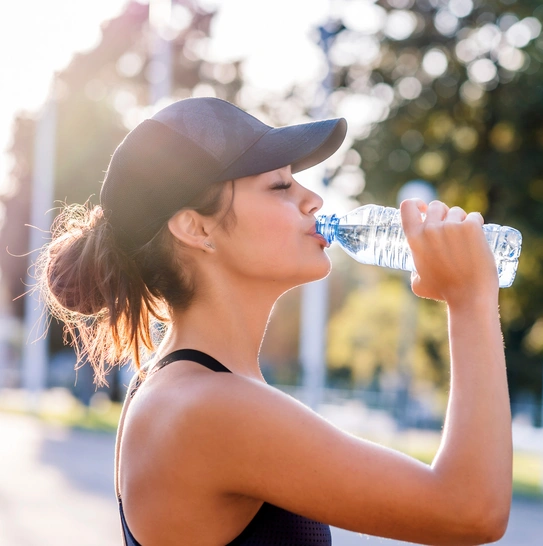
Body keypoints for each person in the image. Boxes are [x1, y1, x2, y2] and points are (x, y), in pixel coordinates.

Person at [36, 97, 512, 545]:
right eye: (281, 186)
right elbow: (470, 510)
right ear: (195, 228)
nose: (313, 201)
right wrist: (470, 300)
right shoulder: (207, 408)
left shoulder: (189, 389)